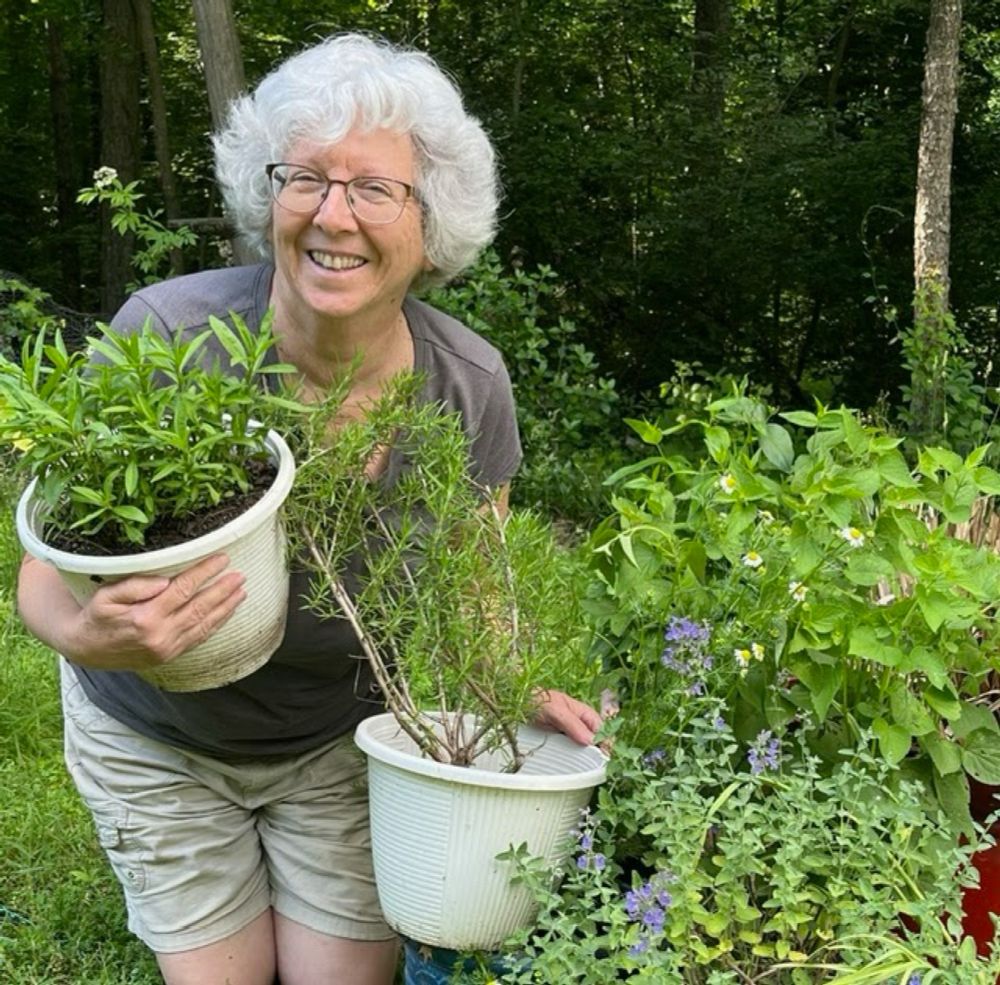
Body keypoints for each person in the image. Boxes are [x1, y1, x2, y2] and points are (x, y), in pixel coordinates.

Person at [16, 32, 601, 985]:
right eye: (305, 179)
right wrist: (88, 635)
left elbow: (476, 581)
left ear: (431, 223)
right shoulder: (169, 341)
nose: (335, 215)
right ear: (268, 196)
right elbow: (41, 576)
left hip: (338, 741)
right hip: (158, 740)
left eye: (375, 189)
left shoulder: (466, 387)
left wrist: (510, 679)